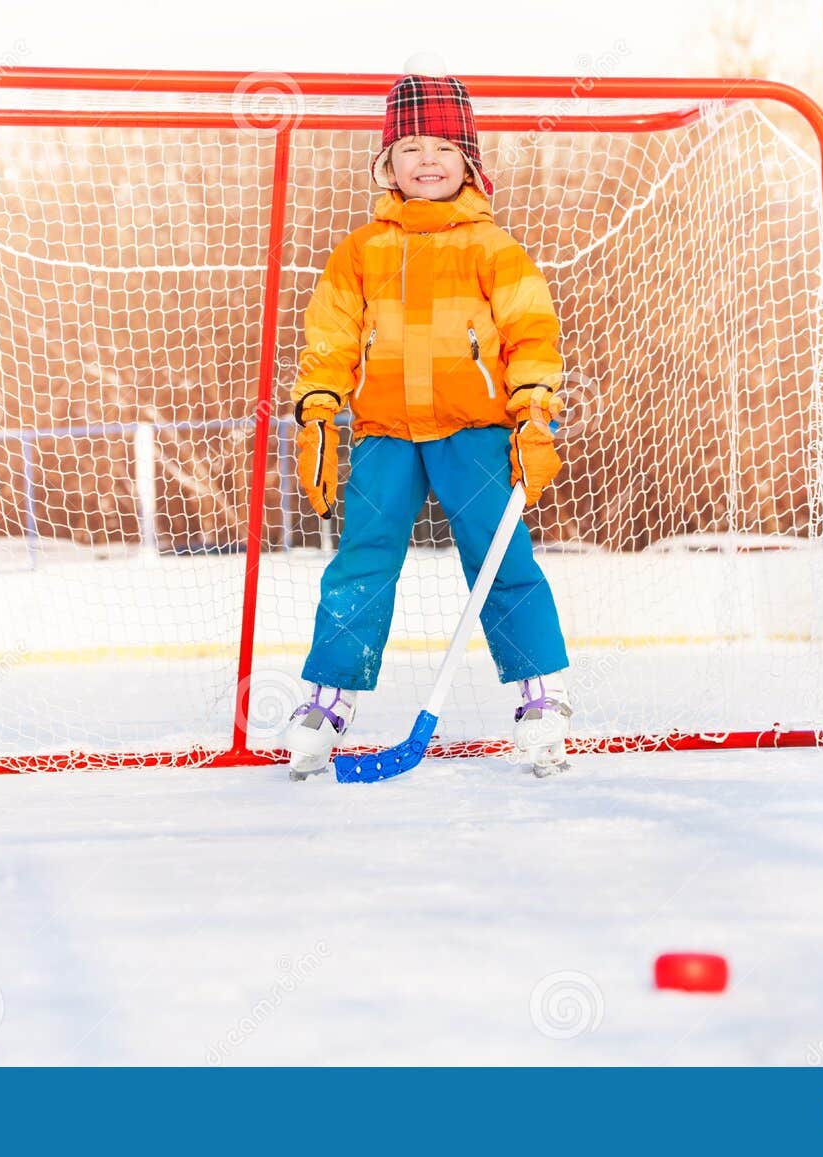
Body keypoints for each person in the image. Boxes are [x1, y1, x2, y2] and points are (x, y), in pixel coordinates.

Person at [282, 71, 573, 779]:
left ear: (468, 161)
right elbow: (330, 339)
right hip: (384, 432)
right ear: (388, 165)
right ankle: (329, 698)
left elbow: (531, 332)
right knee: (362, 558)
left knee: (500, 556)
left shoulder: (492, 247)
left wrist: (535, 409)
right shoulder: (361, 252)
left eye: (442, 145)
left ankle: (542, 698)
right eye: (410, 147)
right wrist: (318, 408)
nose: (427, 160)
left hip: (473, 428)